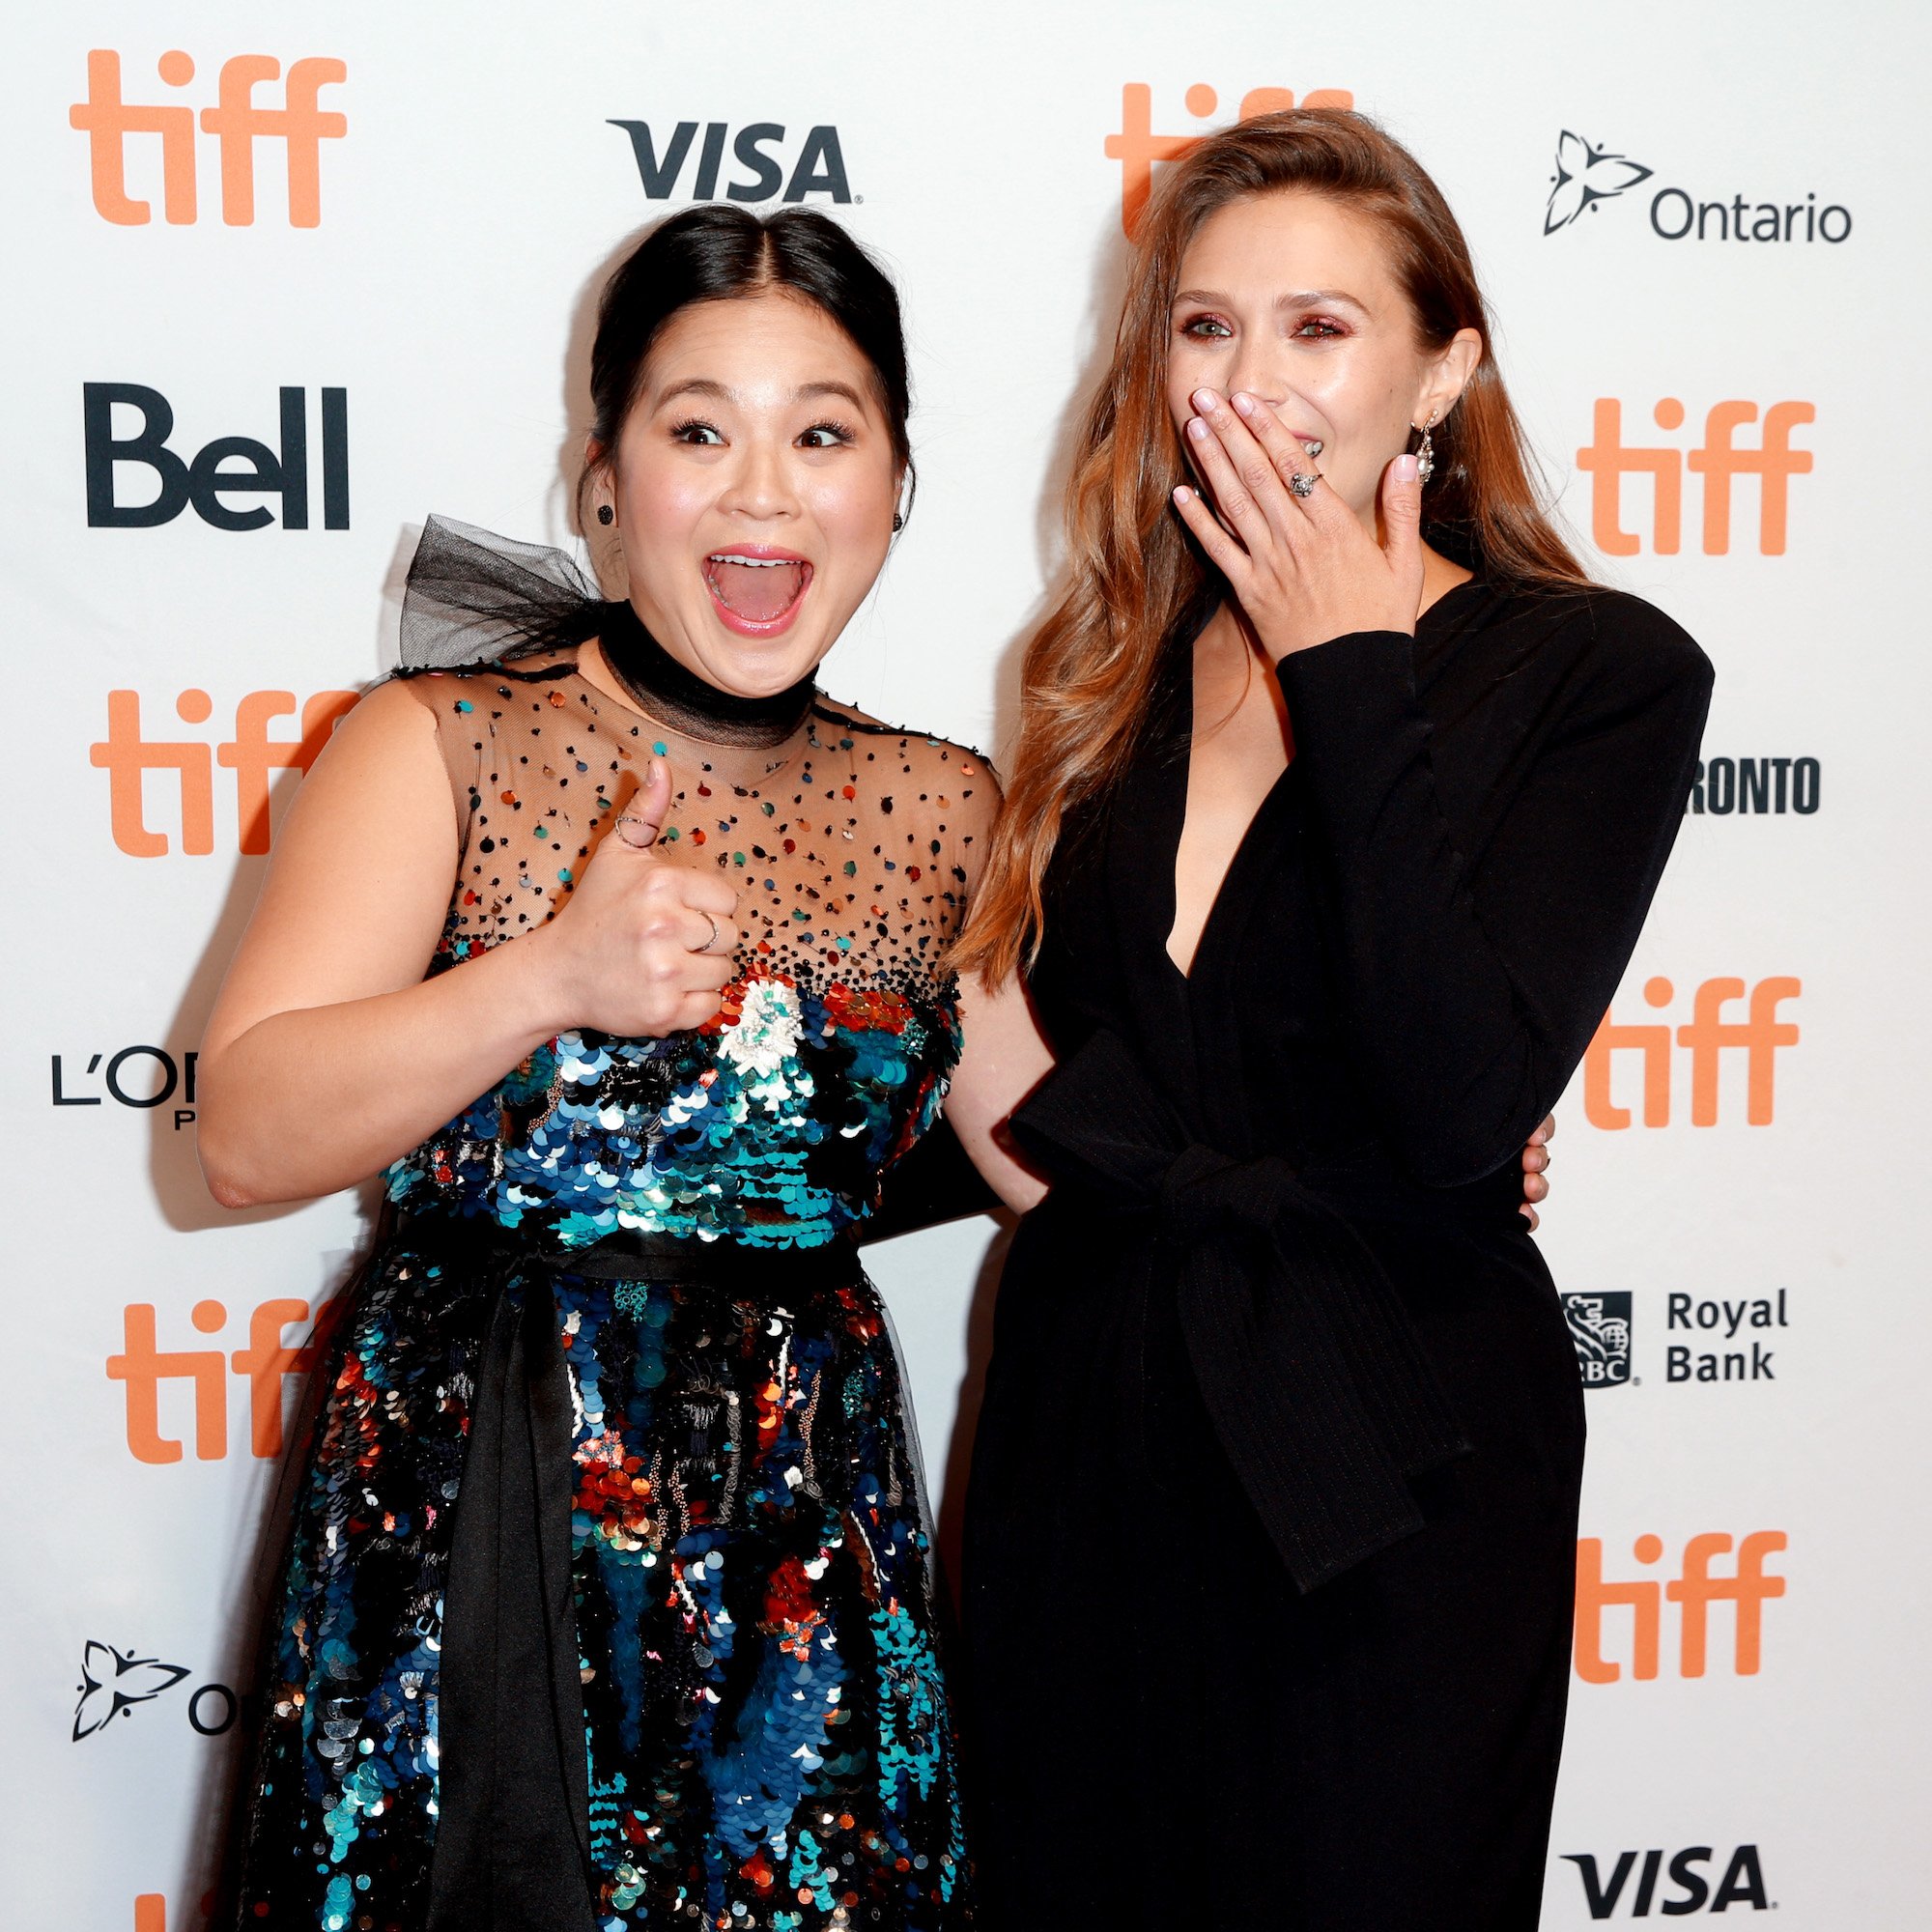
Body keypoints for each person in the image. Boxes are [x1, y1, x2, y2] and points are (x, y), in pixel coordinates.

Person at [944, 110, 1714, 1928]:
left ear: (1443, 368)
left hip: (1392, 1453)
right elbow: (1057, 1110)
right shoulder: (1098, 673)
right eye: (1205, 326)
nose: (1253, 379)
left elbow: (1460, 1105)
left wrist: (1349, 664)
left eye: (1321, 326)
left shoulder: (1597, 674)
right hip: (1092, 1420)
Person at [200, 206, 991, 1932]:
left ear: (899, 484)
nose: (765, 490)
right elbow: (242, 1136)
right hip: (497, 1489)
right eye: (699, 428)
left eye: (825, 431)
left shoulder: (948, 807)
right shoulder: (439, 743)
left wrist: (1407, 1153)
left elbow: (1051, 1134)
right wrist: (547, 975)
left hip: (805, 1545)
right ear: (604, 480)